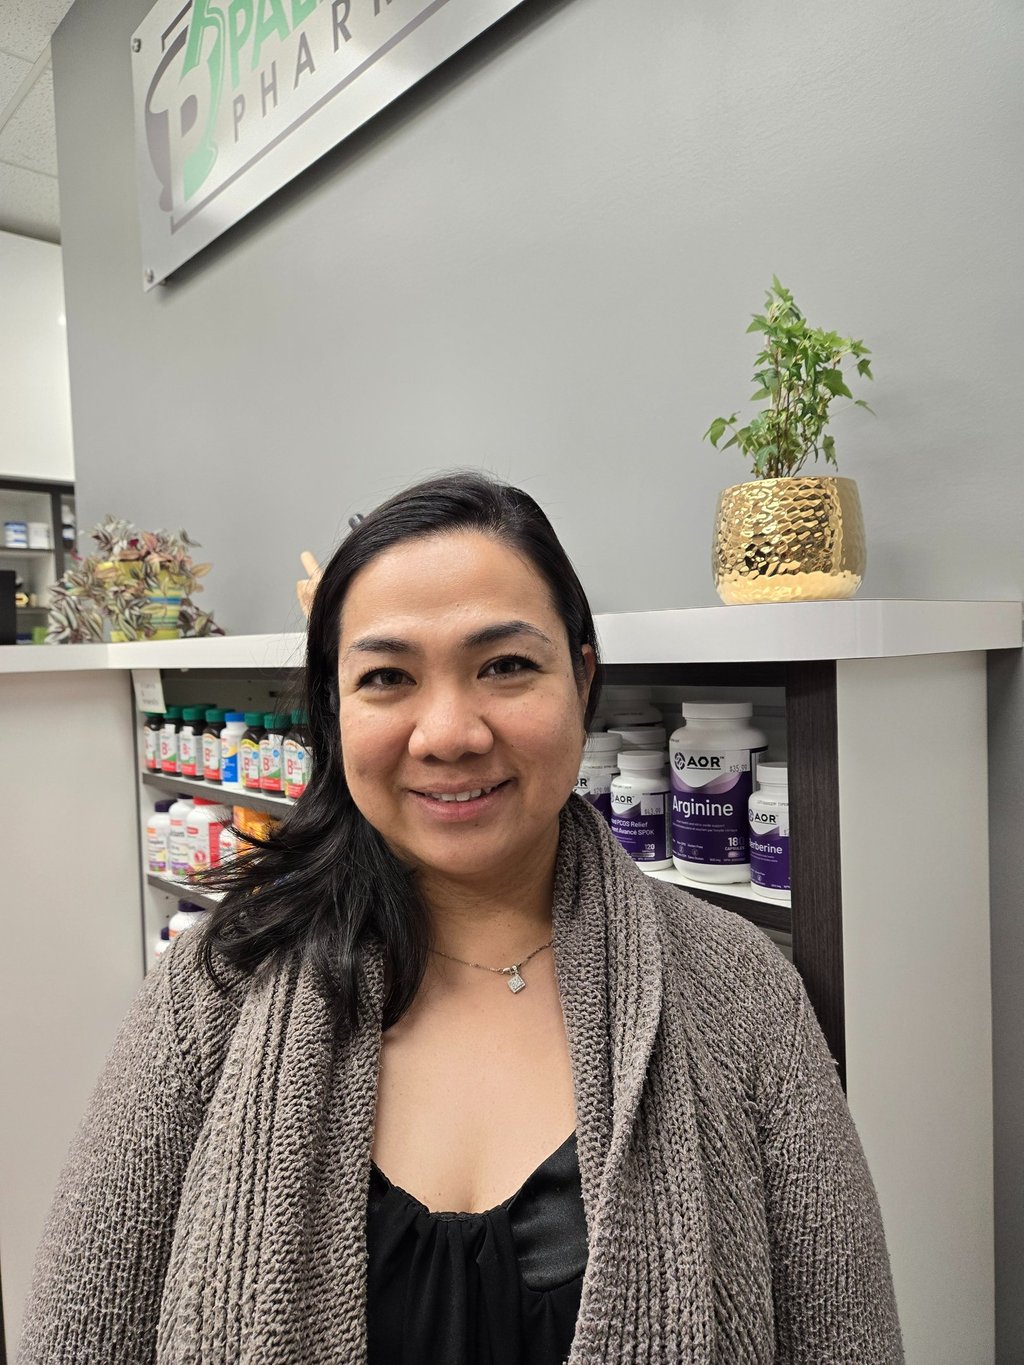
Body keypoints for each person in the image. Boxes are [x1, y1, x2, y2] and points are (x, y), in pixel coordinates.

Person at [19, 472, 904, 1364]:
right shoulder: (217, 987)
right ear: (335, 707)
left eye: (506, 665)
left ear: (582, 677)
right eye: (387, 676)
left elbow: (848, 1338)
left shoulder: (740, 991)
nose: (448, 732)